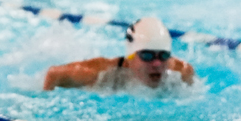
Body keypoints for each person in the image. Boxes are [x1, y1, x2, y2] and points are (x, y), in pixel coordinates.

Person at [43, 17, 194, 91]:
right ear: (130, 55)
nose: (157, 64)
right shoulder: (100, 73)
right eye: (147, 56)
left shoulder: (181, 72)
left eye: (163, 56)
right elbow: (54, 74)